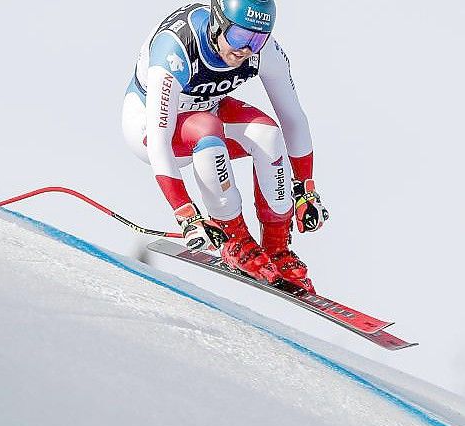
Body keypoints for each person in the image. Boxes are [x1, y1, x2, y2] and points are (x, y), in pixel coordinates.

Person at [121, 0, 328, 292]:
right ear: (218, 22)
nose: (245, 49)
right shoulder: (176, 49)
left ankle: (276, 249)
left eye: (257, 39)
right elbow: (159, 141)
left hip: (208, 111)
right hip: (148, 127)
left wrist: (306, 188)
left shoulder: (262, 51)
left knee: (267, 133)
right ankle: (235, 241)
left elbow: (293, 119)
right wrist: (186, 214)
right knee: (207, 129)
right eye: (239, 37)